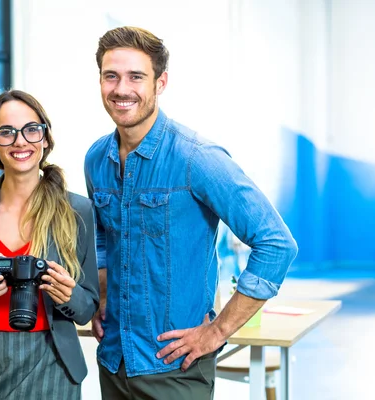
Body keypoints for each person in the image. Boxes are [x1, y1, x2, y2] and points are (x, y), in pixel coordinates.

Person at [84, 26, 298, 399]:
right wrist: (102, 295)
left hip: (175, 370)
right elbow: (102, 236)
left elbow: (276, 244)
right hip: (113, 361)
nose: (121, 89)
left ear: (160, 82)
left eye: (136, 76)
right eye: (110, 76)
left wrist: (216, 332)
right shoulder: (96, 159)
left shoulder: (197, 159)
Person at [0, 89, 99, 399]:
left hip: (54, 366)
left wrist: (68, 294)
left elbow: (87, 308)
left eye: (31, 129)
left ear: (45, 139)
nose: (20, 141)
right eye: (7, 133)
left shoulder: (77, 210)